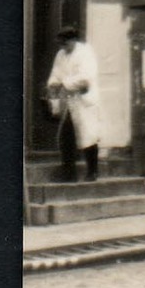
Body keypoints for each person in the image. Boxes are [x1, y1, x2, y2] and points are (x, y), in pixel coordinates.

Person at [46, 26, 101, 183]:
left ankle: (93, 171)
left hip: (84, 100)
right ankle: (69, 172)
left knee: (88, 135)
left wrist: (64, 84)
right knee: (66, 136)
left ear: (73, 40)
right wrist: (53, 84)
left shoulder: (85, 52)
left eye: (66, 43)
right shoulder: (61, 54)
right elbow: (56, 73)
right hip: (69, 101)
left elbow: (86, 77)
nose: (63, 47)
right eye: (61, 44)